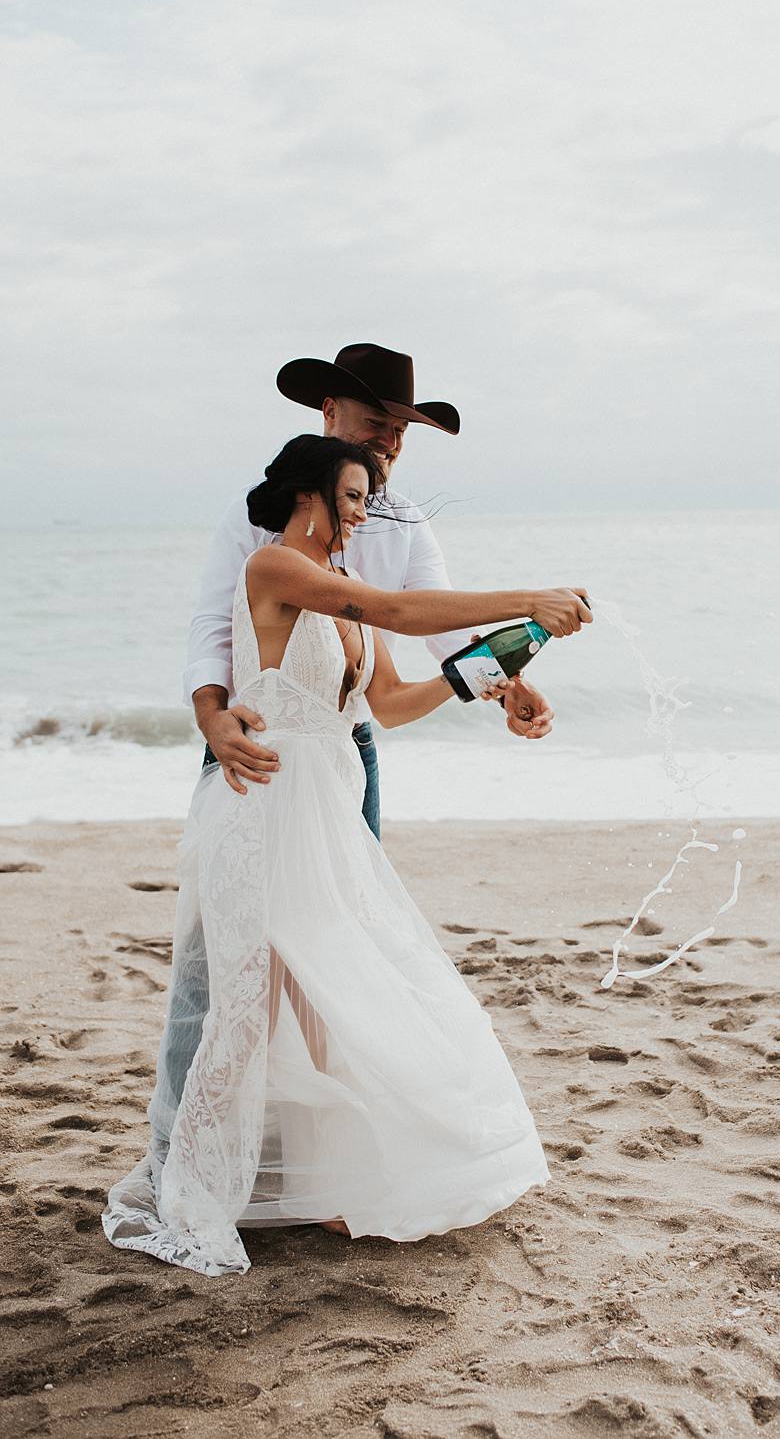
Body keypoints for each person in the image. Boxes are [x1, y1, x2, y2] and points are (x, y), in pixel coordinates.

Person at [103, 435, 591, 1275]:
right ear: (308, 497)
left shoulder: (344, 604)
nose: (365, 513)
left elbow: (393, 705)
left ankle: (328, 1185)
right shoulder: (275, 569)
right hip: (262, 808)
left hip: (324, 810)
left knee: (330, 991)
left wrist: (513, 647)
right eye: (355, 496)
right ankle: (194, 1185)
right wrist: (530, 593)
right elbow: (397, 610)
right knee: (246, 1006)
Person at [148, 341, 553, 1182]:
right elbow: (223, 627)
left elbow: (412, 665)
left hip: (342, 768)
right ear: (329, 417)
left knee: (335, 960)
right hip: (255, 760)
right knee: (216, 972)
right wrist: (212, 718)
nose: (392, 445)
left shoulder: (396, 525)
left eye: (403, 432)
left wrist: (504, 675)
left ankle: (316, 1165)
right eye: (378, 426)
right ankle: (179, 1161)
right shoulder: (262, 537)